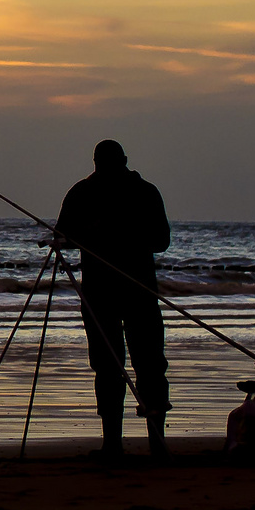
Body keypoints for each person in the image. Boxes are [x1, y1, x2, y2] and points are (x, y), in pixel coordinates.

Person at [52, 139, 171, 457]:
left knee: (145, 365)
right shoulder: (85, 192)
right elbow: (63, 235)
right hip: (105, 294)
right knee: (111, 365)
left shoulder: (142, 192)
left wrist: (111, 233)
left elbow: (160, 241)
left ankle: (150, 442)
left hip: (136, 291)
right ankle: (115, 443)